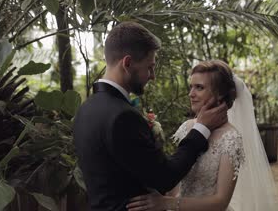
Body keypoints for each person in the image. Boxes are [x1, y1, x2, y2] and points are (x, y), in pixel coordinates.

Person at [73, 22, 229, 211]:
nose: (152, 75)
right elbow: (165, 178)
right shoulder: (123, 116)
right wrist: (202, 128)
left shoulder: (85, 108)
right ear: (128, 63)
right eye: (150, 67)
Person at [127, 60, 277, 211]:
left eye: (199, 87)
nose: (191, 94)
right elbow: (176, 177)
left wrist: (167, 203)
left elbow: (220, 202)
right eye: (191, 86)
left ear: (220, 94)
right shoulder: (187, 127)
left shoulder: (230, 139)